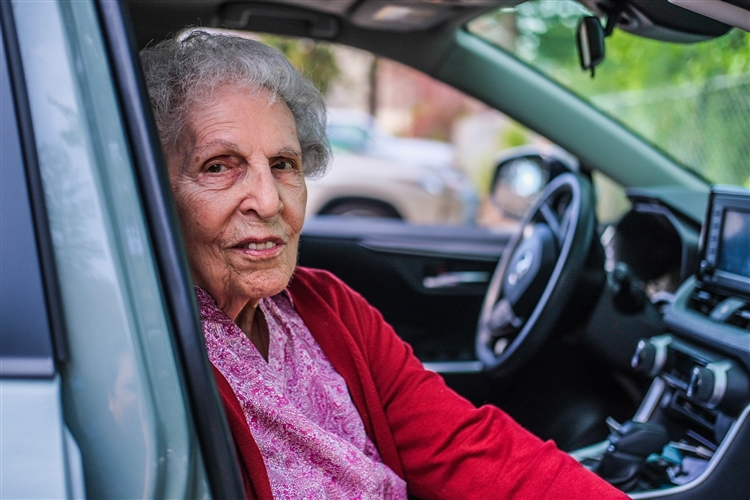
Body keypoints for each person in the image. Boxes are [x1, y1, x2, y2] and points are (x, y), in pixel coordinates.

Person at [140, 31, 628, 500]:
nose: (269, 201)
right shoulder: (147, 352)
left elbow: (463, 447)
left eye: (284, 164)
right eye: (220, 165)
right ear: (155, 192)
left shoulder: (326, 306)